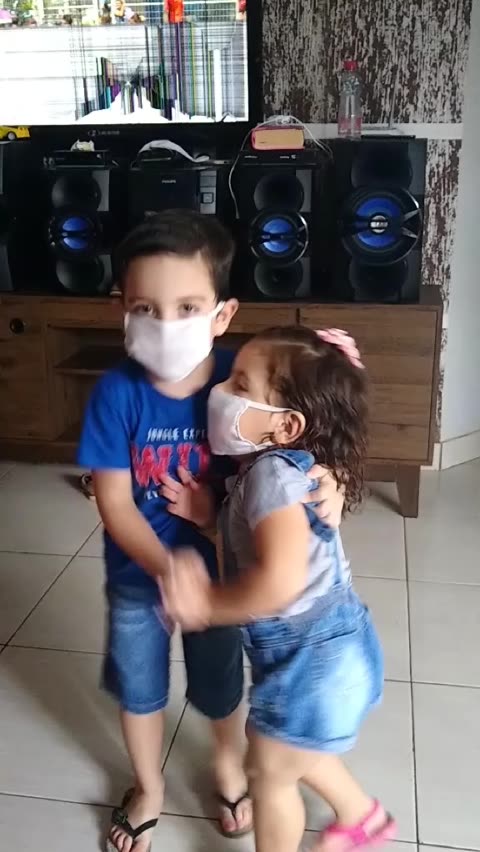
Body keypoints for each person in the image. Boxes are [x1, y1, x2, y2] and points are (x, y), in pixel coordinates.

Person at [77, 211, 344, 852]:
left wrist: (329, 482)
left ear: (222, 314)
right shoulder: (115, 393)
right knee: (139, 687)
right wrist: (166, 567)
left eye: (188, 307)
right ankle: (148, 786)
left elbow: (295, 445)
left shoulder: (244, 379)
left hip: (223, 578)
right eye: (146, 308)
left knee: (221, 684)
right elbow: (113, 501)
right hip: (138, 577)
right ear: (120, 308)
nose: (166, 324)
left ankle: (227, 768)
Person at [162, 326, 397, 852]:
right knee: (291, 749)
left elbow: (281, 581)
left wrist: (207, 605)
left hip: (313, 661)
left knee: (268, 773)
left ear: (287, 425)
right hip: (333, 652)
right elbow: (259, 545)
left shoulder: (272, 476)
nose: (220, 391)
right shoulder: (268, 471)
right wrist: (211, 519)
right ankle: (363, 817)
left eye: (240, 385)